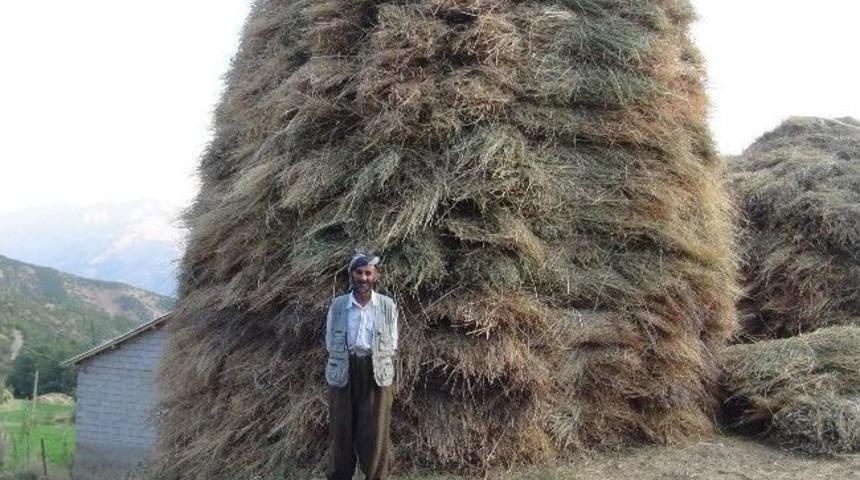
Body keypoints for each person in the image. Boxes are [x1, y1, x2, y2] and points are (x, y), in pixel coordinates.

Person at [325, 253, 398, 480]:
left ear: (375, 276)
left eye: (368, 273)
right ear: (351, 275)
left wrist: (373, 359)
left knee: (375, 431)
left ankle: (375, 476)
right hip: (344, 370)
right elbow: (329, 340)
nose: (363, 278)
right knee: (341, 429)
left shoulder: (386, 305)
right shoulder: (338, 305)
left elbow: (393, 342)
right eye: (359, 272)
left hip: (376, 371)